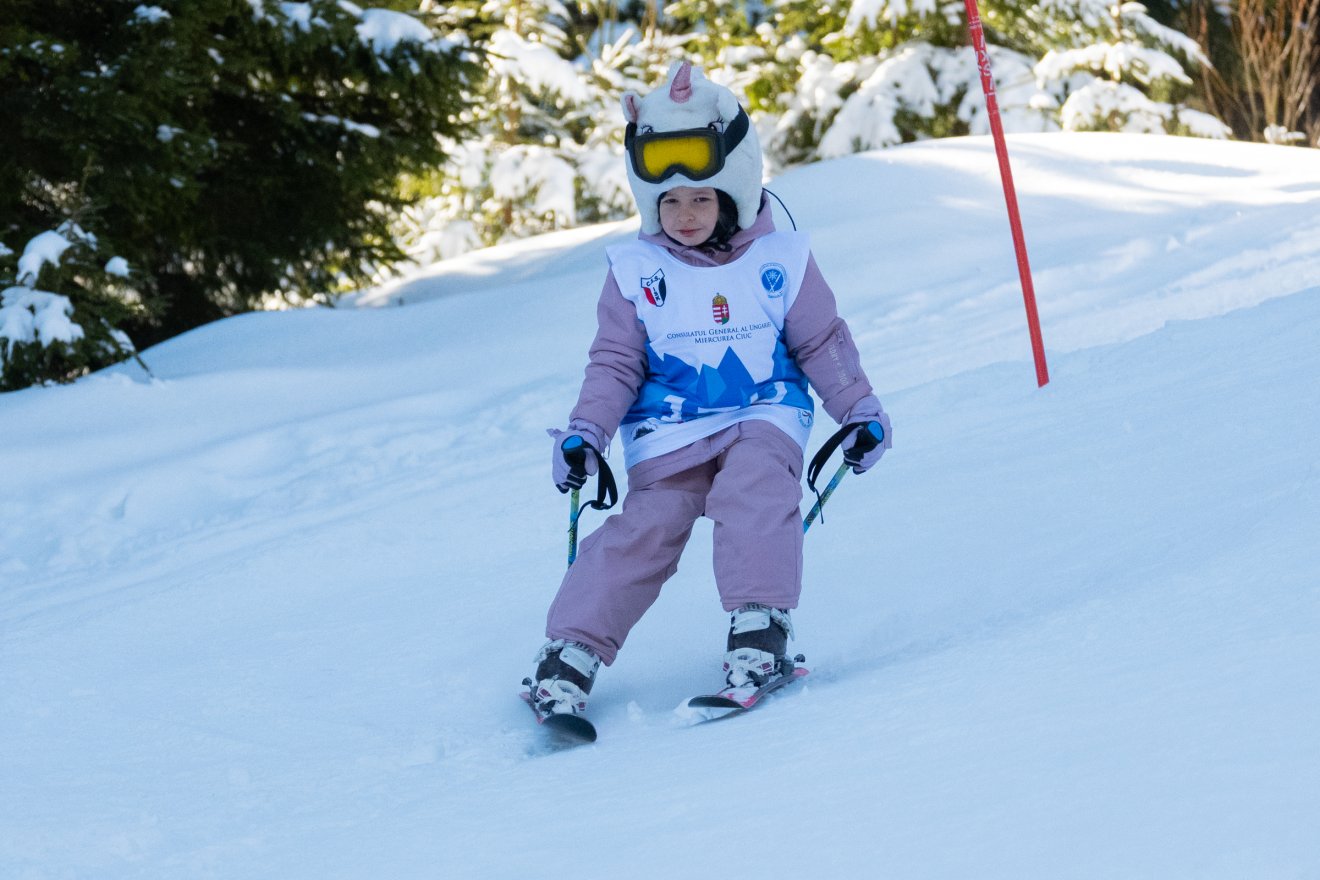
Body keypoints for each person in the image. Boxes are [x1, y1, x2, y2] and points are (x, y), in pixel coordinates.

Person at [527, 61, 891, 718]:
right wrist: (585, 434)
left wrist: (859, 409)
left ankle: (759, 634)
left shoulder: (779, 262)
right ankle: (567, 654)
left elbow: (820, 341)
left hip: (763, 412)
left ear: (735, 193)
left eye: (701, 198)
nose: (685, 214)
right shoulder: (637, 271)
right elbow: (614, 363)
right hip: (667, 432)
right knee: (646, 527)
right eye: (669, 201)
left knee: (753, 485)